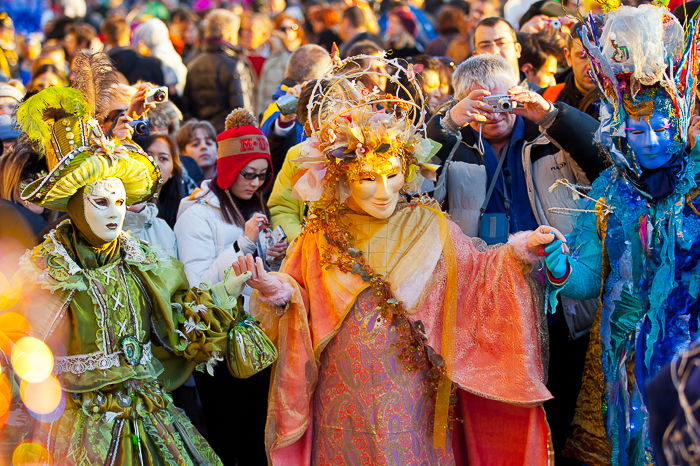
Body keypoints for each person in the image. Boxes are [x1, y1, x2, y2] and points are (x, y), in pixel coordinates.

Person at [232, 57, 564, 465]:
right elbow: (298, 292)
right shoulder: (319, 232)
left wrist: (518, 250)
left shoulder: (427, 223)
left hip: (413, 388)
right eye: (368, 178)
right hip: (341, 392)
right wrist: (277, 289)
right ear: (342, 179)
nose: (384, 191)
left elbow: (477, 273)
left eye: (392, 175)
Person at [10, 85, 255, 465]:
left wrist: (226, 290)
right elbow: (19, 349)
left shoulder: (144, 261)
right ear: (75, 204)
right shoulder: (46, 271)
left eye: (121, 202)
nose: (114, 213)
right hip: (73, 423)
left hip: (148, 414)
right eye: (101, 202)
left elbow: (180, 323)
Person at [542, 6, 700, 464]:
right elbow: (589, 278)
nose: (649, 141)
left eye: (660, 128)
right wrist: (559, 265)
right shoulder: (609, 188)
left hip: (686, 350)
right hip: (618, 357)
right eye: (637, 129)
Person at [174, 109, 287, 465]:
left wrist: (270, 255)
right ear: (227, 172)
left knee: (258, 437)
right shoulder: (196, 214)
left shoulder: (252, 204)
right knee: (229, 439)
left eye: (262, 176)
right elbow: (199, 286)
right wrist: (244, 245)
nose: (255, 183)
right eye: (247, 174)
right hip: (218, 347)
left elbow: (258, 277)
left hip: (258, 338)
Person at [184, 8, 256, 132]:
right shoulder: (235, 65)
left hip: (203, 136)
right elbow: (243, 113)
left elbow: (187, 108)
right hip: (229, 138)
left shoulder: (193, 63)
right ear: (229, 33)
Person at [541, 20, 600, 119]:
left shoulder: (626, 103)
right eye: (582, 56)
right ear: (568, 57)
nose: (591, 66)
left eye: (599, 57)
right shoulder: (546, 99)